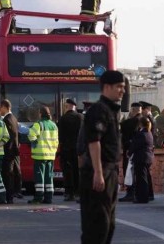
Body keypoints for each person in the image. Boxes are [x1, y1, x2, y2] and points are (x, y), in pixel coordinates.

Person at [79, 70, 125, 244]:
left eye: (123, 87)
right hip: (98, 171)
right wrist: (98, 173)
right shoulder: (99, 110)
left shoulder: (111, 110)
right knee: (97, 226)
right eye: (119, 87)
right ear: (107, 87)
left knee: (109, 225)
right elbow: (94, 142)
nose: (123, 90)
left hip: (109, 172)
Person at [27, 106, 59, 204]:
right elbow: (56, 141)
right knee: (49, 176)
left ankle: (38, 197)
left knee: (39, 177)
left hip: (40, 155)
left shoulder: (38, 124)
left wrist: (34, 142)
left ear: (41, 114)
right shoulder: (54, 125)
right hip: (50, 155)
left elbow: (31, 135)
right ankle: (48, 197)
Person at [58, 98, 83, 201]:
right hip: (78, 149)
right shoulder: (81, 117)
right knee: (78, 171)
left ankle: (69, 193)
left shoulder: (63, 118)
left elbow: (60, 136)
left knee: (67, 171)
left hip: (66, 149)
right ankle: (78, 192)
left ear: (67, 106)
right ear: (75, 106)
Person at [0, 99, 23, 203]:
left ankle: (9, 197)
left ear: (5, 107)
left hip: (9, 152)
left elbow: (9, 137)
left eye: (0, 108)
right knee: (13, 173)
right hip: (15, 151)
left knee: (7, 174)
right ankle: (15, 192)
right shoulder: (14, 118)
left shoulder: (7, 120)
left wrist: (6, 150)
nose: (0, 110)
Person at [118, 102, 142, 202]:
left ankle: (130, 192)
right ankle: (137, 193)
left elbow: (122, 127)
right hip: (141, 151)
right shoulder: (145, 120)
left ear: (133, 110)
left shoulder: (131, 121)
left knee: (129, 172)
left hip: (130, 151)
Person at [128, 116, 154, 203]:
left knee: (141, 179)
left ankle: (142, 197)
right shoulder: (149, 133)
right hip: (147, 158)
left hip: (141, 158)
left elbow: (135, 145)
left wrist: (129, 153)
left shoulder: (141, 134)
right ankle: (147, 195)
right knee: (145, 177)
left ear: (140, 124)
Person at [139, 100, 156, 201]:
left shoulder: (149, 119)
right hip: (148, 149)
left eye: (143, 109)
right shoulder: (150, 118)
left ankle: (148, 194)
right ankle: (149, 193)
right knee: (146, 173)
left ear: (146, 109)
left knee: (145, 174)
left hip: (146, 149)